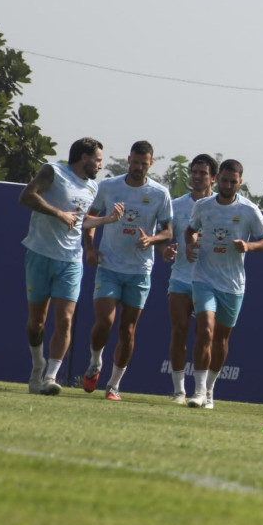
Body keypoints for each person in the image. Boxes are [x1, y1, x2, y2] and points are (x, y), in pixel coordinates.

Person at [19, 137, 121, 395]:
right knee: (37, 323)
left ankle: (50, 377)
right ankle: (37, 366)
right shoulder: (53, 171)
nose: (100, 165)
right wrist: (59, 213)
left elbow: (80, 220)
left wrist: (107, 220)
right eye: (98, 159)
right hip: (40, 255)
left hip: (71, 262)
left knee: (65, 319)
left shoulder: (93, 188)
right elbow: (26, 196)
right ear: (84, 158)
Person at [82, 141, 174, 401]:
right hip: (109, 266)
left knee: (128, 330)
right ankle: (95, 362)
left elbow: (168, 231)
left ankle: (113, 385)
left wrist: (152, 240)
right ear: (129, 160)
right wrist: (89, 248)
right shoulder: (109, 186)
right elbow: (87, 219)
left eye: (144, 164)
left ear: (151, 164)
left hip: (140, 270)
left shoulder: (160, 193)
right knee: (104, 322)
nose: (138, 167)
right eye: (135, 162)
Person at [183, 159, 263, 408]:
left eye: (233, 181)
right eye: (224, 180)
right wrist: (190, 244)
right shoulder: (203, 206)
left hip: (232, 284)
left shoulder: (249, 210)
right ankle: (198, 391)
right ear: (217, 178)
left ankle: (209, 390)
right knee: (205, 330)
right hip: (203, 277)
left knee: (221, 339)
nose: (228, 185)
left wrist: (248, 246)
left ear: (240, 182)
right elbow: (191, 230)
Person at [162, 154, 218, 403]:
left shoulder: (225, 206)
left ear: (213, 178)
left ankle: (203, 391)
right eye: (194, 172)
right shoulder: (175, 205)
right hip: (181, 277)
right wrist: (164, 250)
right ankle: (178, 391)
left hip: (213, 281)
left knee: (206, 333)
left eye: (202, 173)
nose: (196, 177)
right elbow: (164, 238)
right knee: (179, 330)